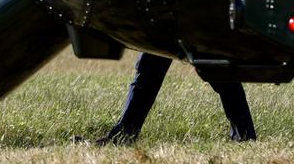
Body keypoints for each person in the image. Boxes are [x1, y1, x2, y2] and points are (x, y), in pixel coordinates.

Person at [92, 52, 256, 145]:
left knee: (220, 72)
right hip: (166, 14)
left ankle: (245, 136)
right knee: (147, 72)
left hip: (194, 15)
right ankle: (124, 135)